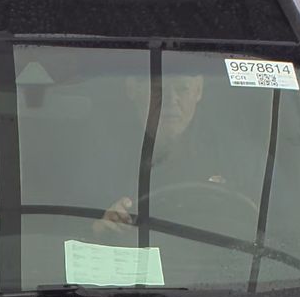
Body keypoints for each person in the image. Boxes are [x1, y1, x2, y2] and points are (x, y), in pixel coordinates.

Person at [94, 72, 247, 235]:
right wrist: (100, 227)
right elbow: (70, 226)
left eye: (182, 89)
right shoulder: (99, 153)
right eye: (158, 89)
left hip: (216, 257)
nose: (170, 101)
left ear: (199, 90)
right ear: (132, 88)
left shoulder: (238, 157)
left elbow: (268, 224)